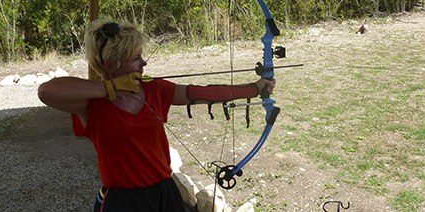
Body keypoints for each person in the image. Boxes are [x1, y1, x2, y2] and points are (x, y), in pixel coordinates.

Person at [37, 20, 275, 212]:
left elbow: (199, 93)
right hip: (123, 201)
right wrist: (110, 88)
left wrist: (254, 88)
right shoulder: (91, 104)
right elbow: (46, 91)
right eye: (135, 58)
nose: (144, 62)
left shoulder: (154, 90)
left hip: (165, 193)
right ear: (112, 64)